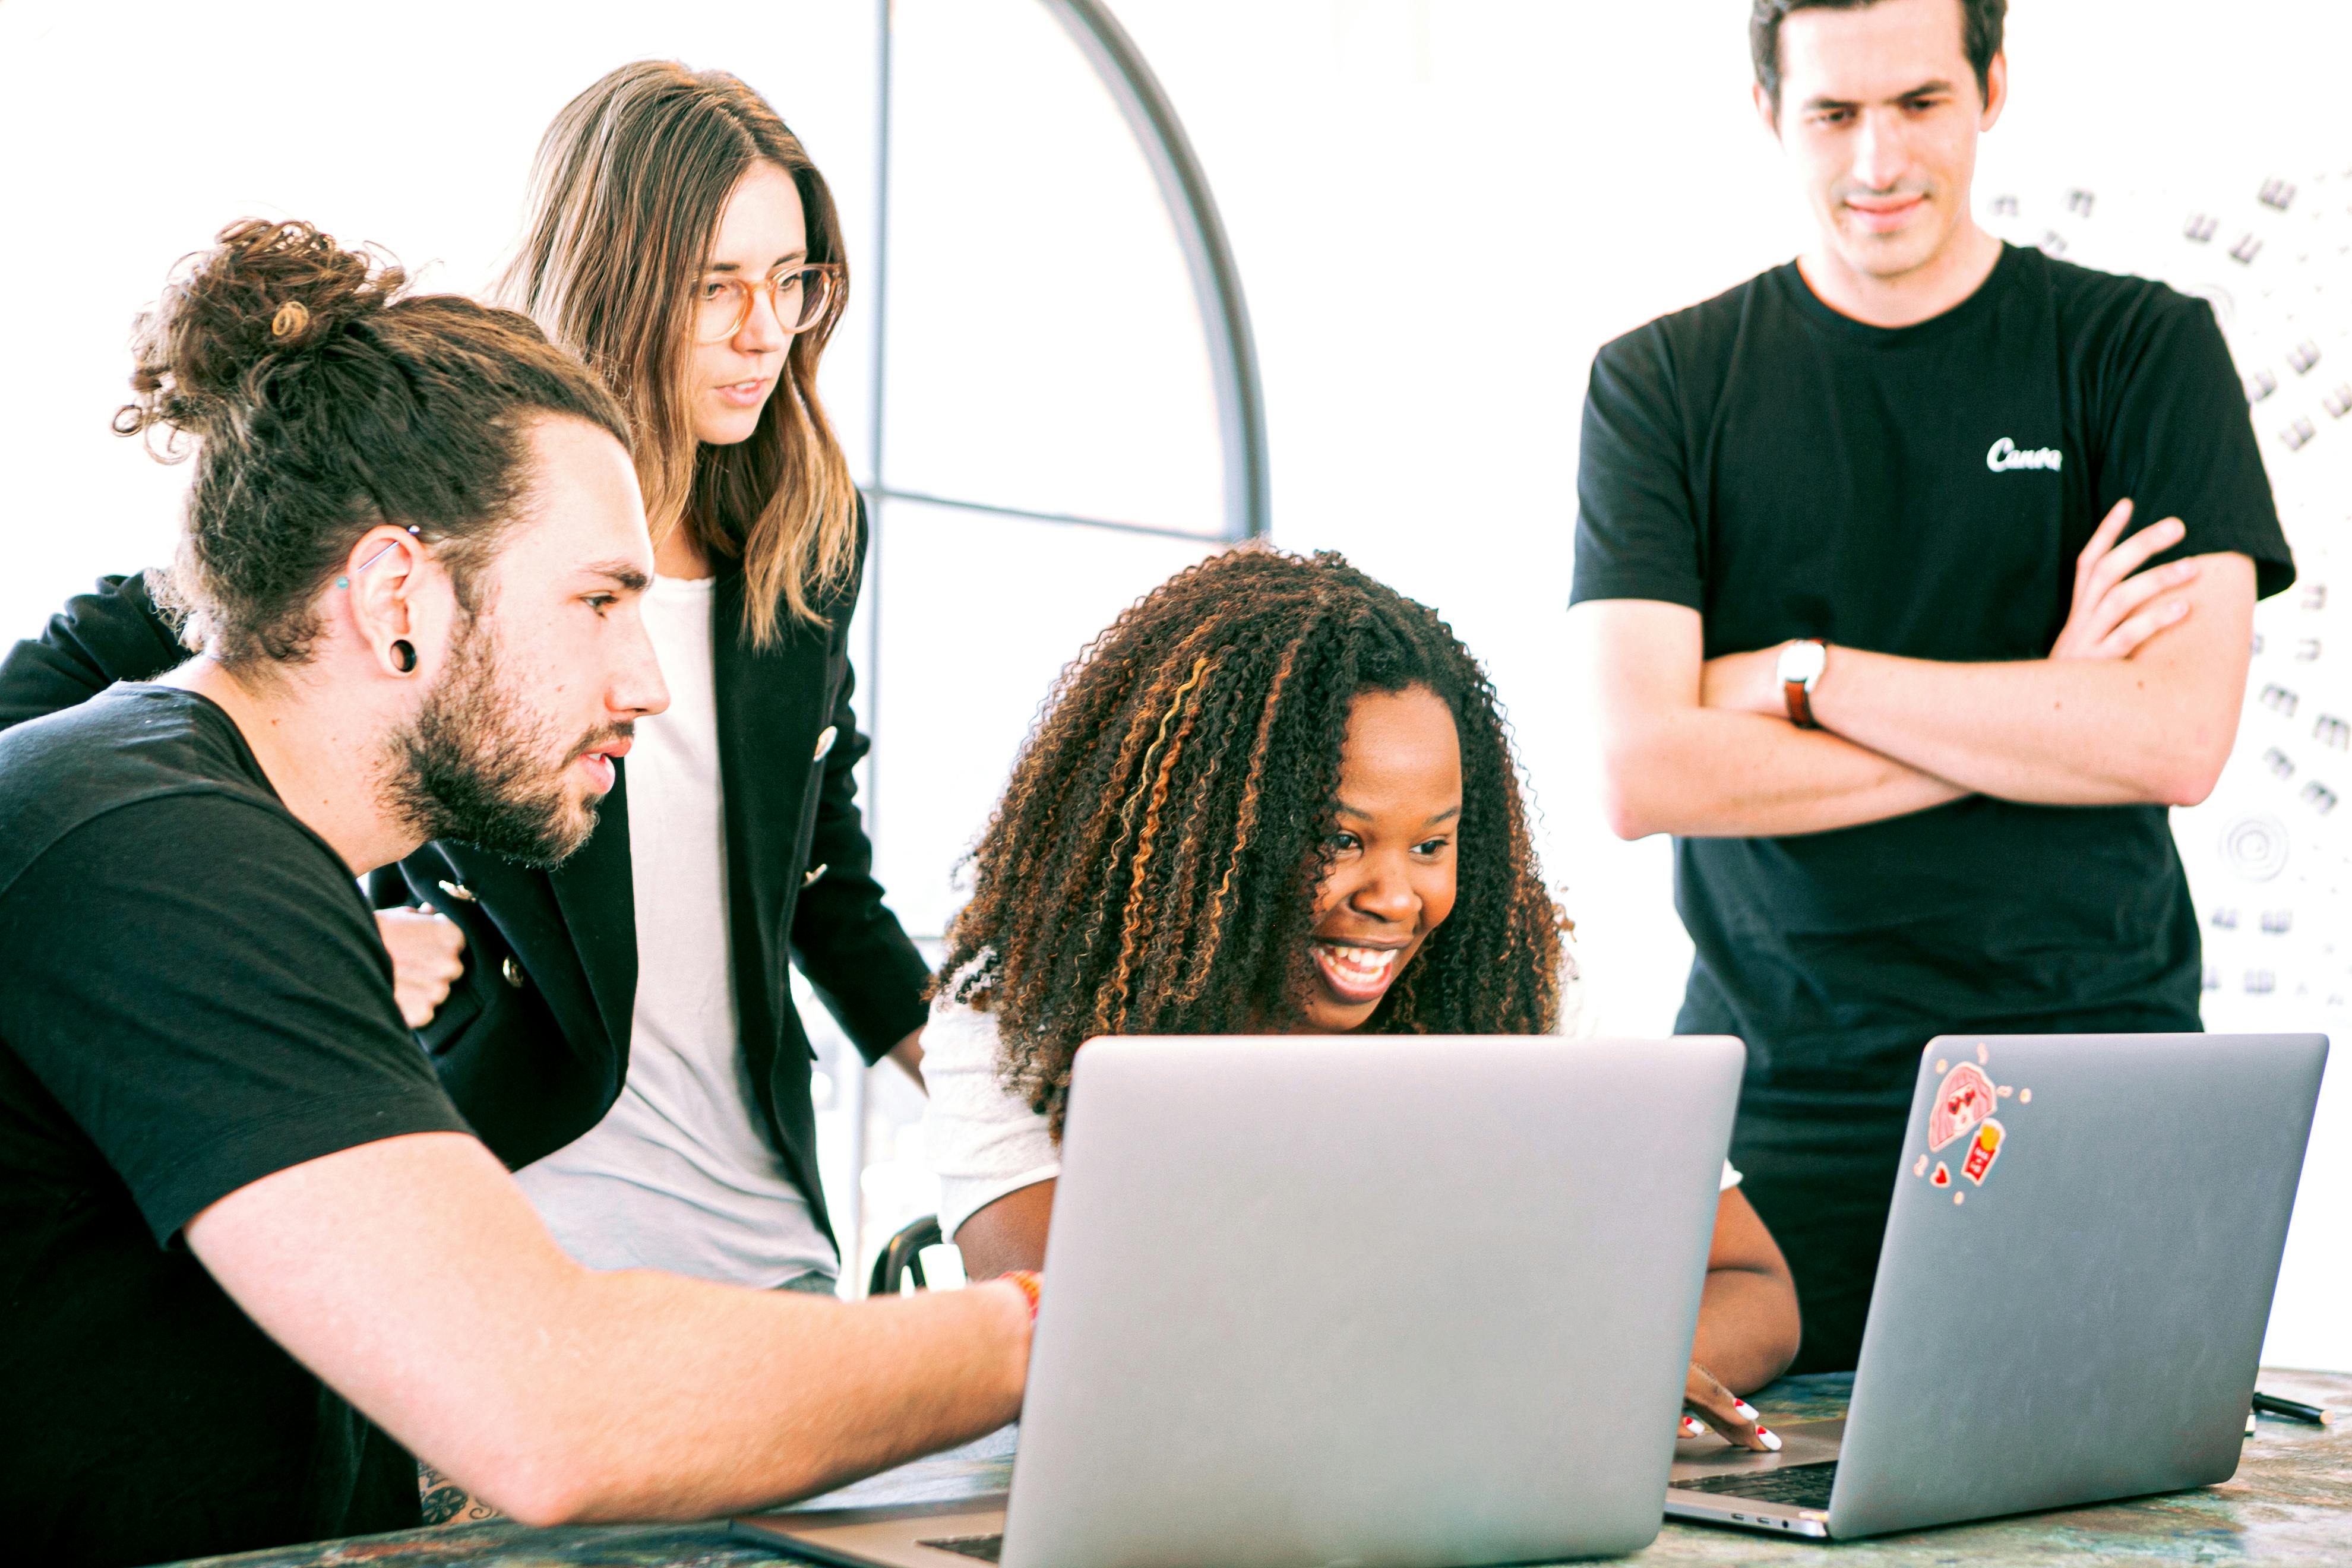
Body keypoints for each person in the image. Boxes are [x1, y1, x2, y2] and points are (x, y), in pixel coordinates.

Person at [0, 219, 1030, 1568]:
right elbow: (552, 1408)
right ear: (395, 596)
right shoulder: (151, 841)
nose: (647, 684)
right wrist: (1055, 1328)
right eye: (601, 602)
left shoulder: (224, 830)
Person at [0, 62, 930, 1294]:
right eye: (718, 287)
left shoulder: (806, 536)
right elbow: (68, 730)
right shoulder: (434, 494)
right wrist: (310, 932)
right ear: (620, 276)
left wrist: (1007, 1093)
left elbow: (823, 878)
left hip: (762, 1238)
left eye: (792, 281)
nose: (767, 330)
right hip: (504, 1226)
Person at [1567, 0, 2294, 1373]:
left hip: (2094, 1074)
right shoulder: (1659, 387)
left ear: (1994, 86)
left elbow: (2177, 738)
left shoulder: (2139, 354)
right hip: (1777, 1103)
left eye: (1919, 104)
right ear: (1768, 112)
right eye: (1833, 114)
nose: (1878, 161)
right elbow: (1643, 771)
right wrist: (2043, 709)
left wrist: (1802, 677)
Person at [924, 547, 1802, 1449]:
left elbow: (1755, 1290)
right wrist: (1514, 1367)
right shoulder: (1020, 1008)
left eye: (1432, 846)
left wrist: (1599, 1374)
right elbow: (1076, 1353)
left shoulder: (1517, 979)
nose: (1394, 898)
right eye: (1341, 839)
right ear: (1212, 832)